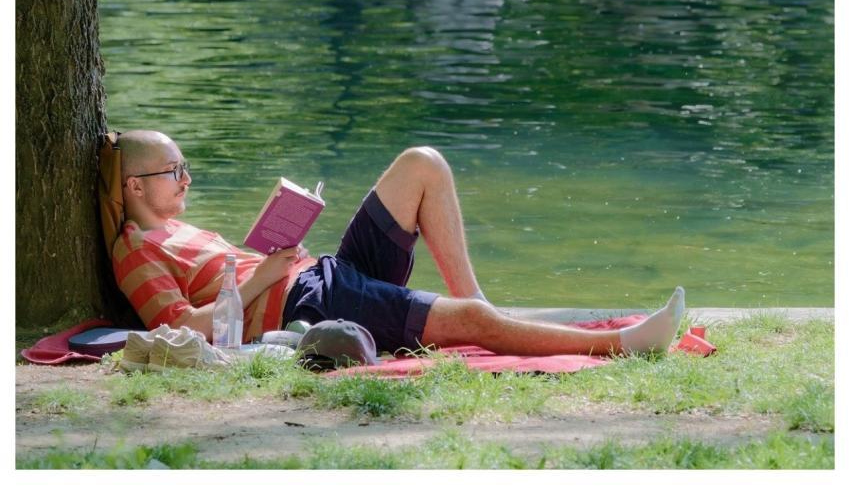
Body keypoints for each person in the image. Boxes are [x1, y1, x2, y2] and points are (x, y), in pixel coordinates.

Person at [112, 130, 685, 358]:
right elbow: (178, 330)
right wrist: (263, 276)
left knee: (422, 165)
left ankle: (481, 311)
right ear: (135, 185)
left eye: (185, 166)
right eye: (174, 170)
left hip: (325, 275)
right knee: (471, 321)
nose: (187, 178)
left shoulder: (180, 230)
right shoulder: (137, 249)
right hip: (310, 307)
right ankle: (623, 346)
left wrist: (279, 250)